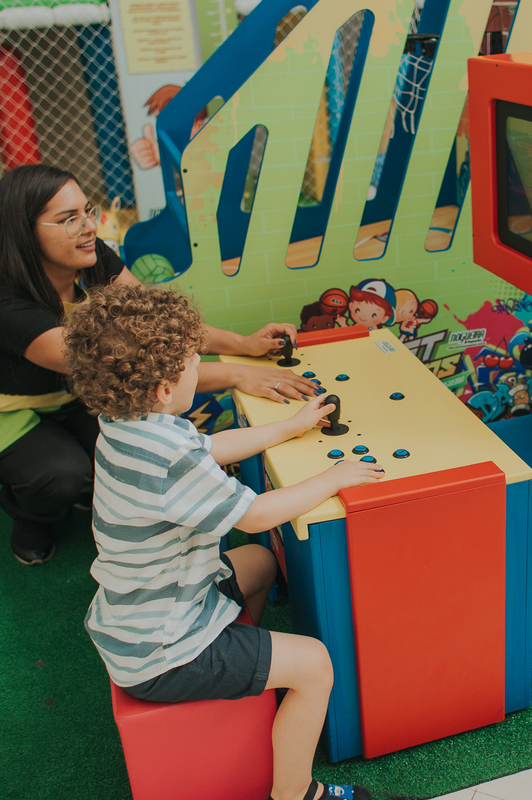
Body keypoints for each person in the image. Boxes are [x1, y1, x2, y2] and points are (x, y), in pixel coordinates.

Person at [64, 282, 383, 800]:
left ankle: (246, 673)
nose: (199, 366)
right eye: (193, 362)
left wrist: (290, 427)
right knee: (315, 662)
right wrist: (332, 478)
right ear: (164, 388)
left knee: (258, 563)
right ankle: (297, 793)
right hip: (165, 652)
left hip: (141, 615)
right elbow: (256, 515)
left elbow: (210, 446)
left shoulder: (127, 423)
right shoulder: (168, 455)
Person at [0, 164, 320, 566]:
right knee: (62, 476)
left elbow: (159, 325)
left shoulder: (91, 257)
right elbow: (137, 369)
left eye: (87, 211)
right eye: (69, 219)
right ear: (24, 233)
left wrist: (242, 343)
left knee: (127, 456)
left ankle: (85, 485)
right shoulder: (8, 307)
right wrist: (237, 373)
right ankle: (29, 516)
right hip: (10, 413)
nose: (89, 227)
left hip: (82, 400)